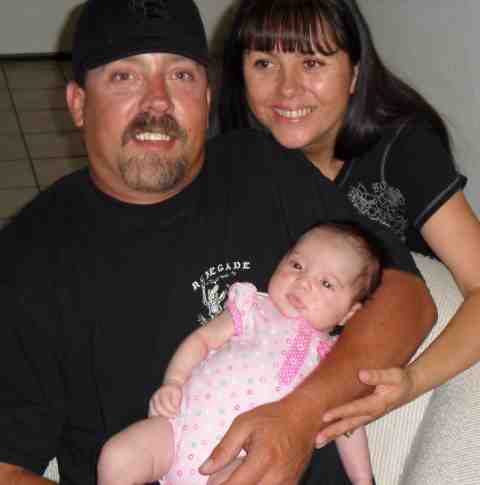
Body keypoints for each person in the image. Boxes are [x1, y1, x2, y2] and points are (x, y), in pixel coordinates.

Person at [0, 1, 435, 485]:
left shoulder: (264, 168)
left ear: (207, 98)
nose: (158, 102)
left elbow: (408, 297)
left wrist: (301, 415)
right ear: (79, 103)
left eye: (182, 76)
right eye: (125, 77)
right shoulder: (28, 256)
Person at [215, 0, 480, 450]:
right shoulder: (238, 160)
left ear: (355, 72)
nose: (287, 89)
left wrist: (410, 382)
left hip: (421, 359)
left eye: (312, 62)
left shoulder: (404, 149)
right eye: (264, 63)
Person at [97, 221, 382, 485]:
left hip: (241, 460)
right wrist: (174, 381)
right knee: (116, 457)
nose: (303, 282)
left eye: (326, 283)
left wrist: (362, 480)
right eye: (297, 264)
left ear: (349, 313)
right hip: (177, 431)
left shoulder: (332, 358)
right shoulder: (251, 307)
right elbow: (202, 340)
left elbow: (348, 424)